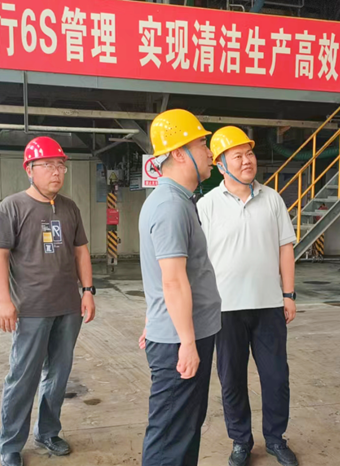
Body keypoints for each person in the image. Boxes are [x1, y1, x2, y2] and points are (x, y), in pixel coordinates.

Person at [0, 136, 96, 466]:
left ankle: (48, 431)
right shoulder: (12, 207)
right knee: (23, 377)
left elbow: (81, 252)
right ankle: (10, 444)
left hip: (68, 308)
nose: (56, 172)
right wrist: (4, 301)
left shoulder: (69, 207)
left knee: (58, 375)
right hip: (31, 309)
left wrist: (88, 291)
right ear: (29, 169)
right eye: (48, 165)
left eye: (61, 165)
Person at [197, 126, 299, 466]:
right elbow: (198, 260)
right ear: (220, 164)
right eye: (238, 155)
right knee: (232, 380)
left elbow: (285, 248)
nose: (247, 161)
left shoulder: (272, 199)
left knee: (276, 377)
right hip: (225, 309)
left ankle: (276, 438)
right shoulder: (207, 205)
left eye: (250, 153)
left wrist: (288, 294)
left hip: (269, 305)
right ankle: (240, 440)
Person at [137, 109, 222, 466]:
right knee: (171, 436)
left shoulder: (177, 201)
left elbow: (159, 276)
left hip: (178, 332)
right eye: (201, 143)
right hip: (179, 340)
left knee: (183, 428)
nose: (209, 152)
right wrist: (186, 342)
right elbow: (172, 280)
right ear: (178, 153)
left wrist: (153, 320)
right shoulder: (170, 206)